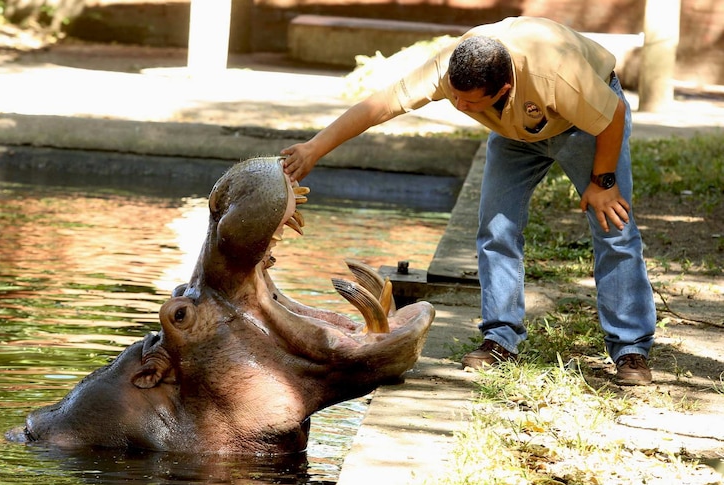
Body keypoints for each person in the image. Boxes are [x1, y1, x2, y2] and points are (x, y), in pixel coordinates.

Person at [280, 16, 656, 385]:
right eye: (454, 96)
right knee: (496, 228)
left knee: (613, 227)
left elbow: (613, 115)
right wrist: (315, 149)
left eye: (469, 101)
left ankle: (630, 348)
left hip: (585, 127)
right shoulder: (452, 64)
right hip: (514, 136)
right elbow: (382, 105)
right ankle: (500, 340)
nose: (458, 104)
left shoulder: (555, 74)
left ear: (503, 88)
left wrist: (603, 182)